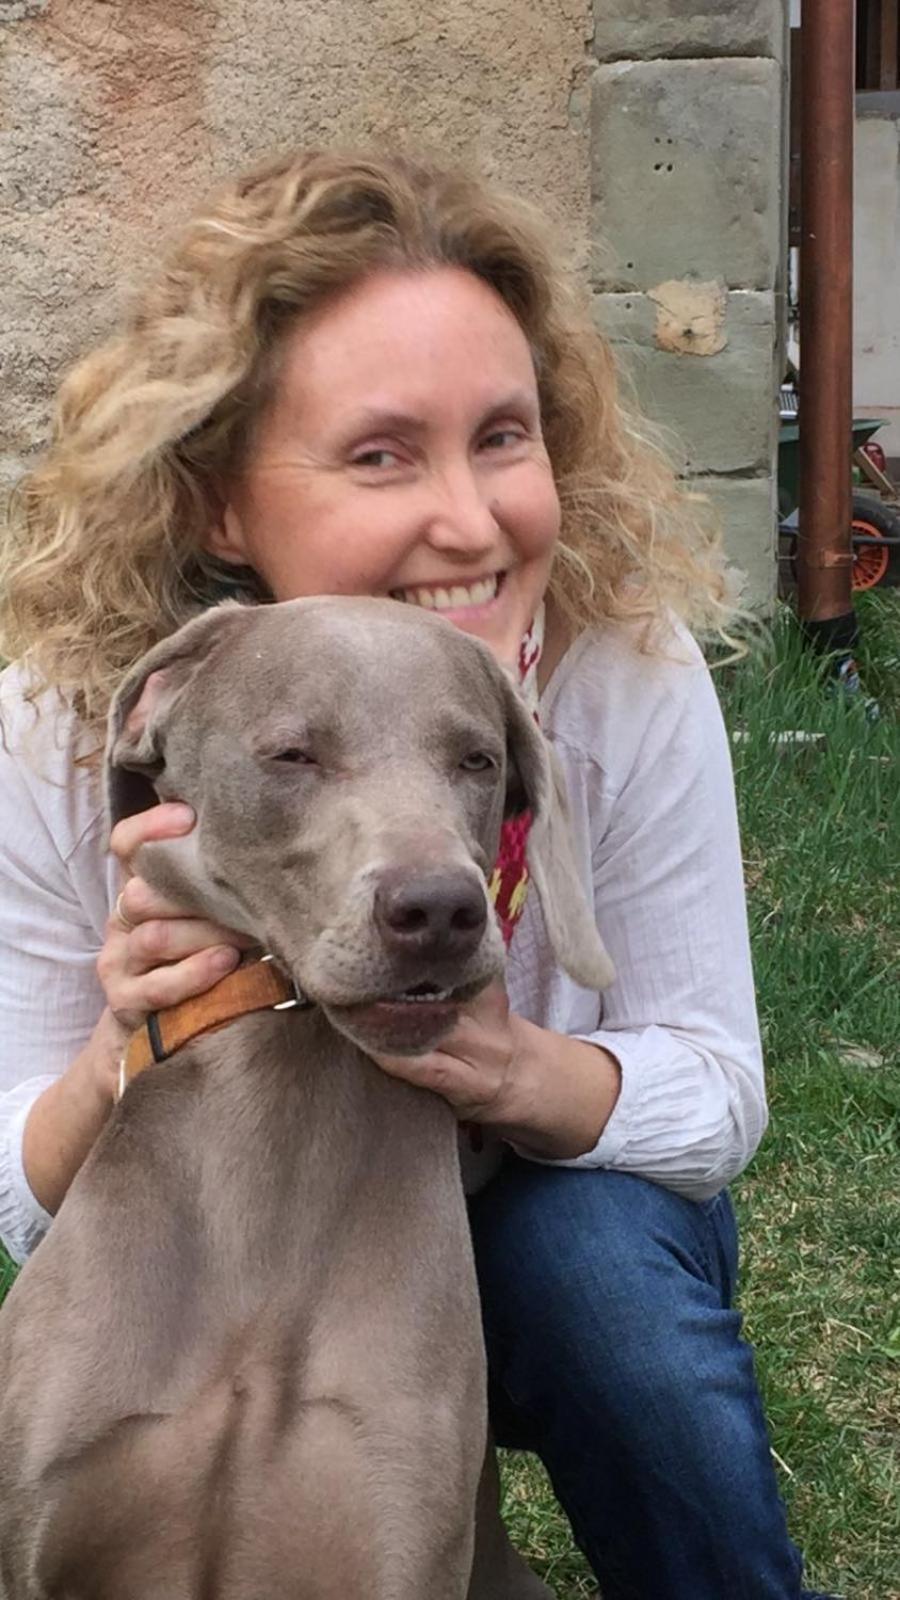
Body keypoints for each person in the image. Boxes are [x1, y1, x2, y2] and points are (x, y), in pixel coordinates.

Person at [0, 150, 834, 1600]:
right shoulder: (80, 718)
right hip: (192, 1206)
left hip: (514, 1213)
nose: (469, 519)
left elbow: (716, 1093)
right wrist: (123, 1047)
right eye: (381, 454)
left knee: (597, 1278)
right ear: (216, 503)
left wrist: (505, 1063)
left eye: (502, 439)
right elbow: (20, 1194)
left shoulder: (618, 680)